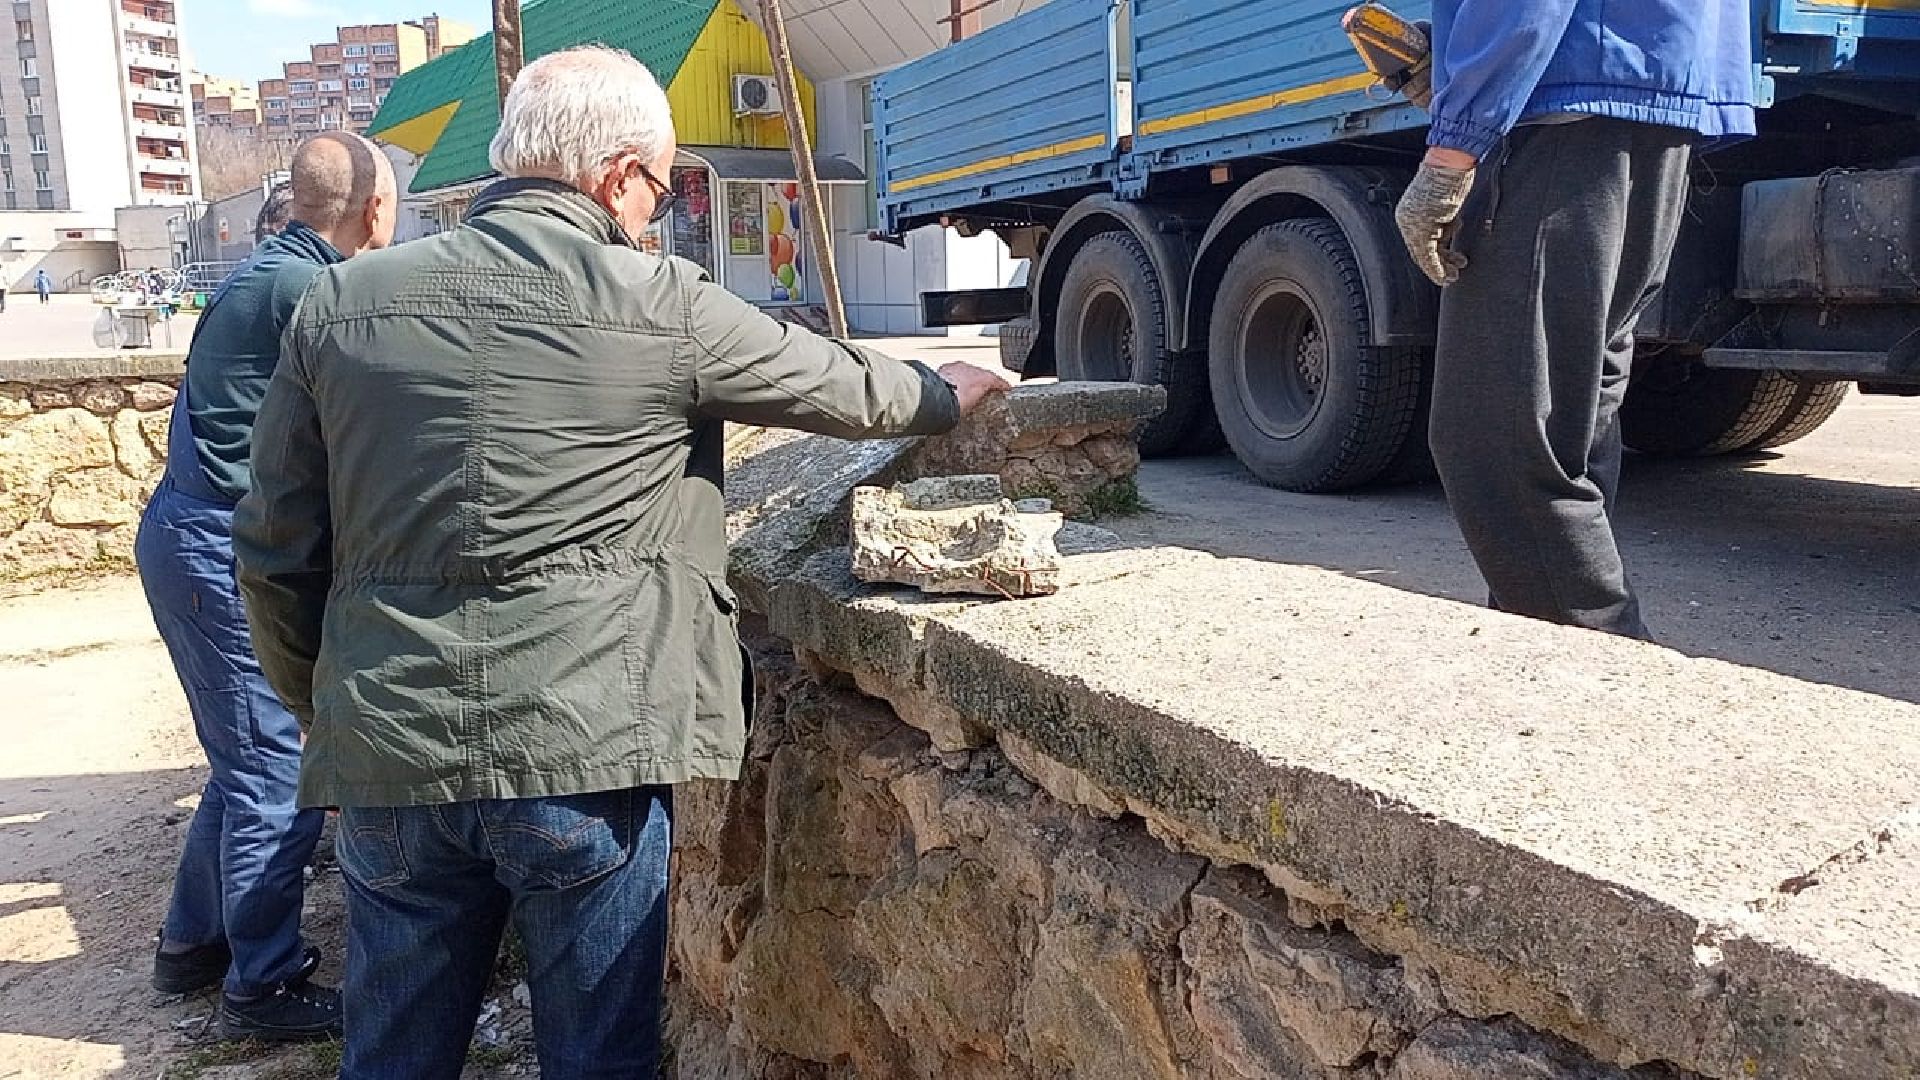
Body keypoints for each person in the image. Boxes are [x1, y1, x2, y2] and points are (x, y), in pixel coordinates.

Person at [233, 46, 1007, 1079]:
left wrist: (321, 706)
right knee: (600, 1058)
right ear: (613, 174)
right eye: (664, 182)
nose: (661, 208)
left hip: (392, 752)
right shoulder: (662, 302)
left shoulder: (338, 306)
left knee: (392, 1060)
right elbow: (834, 382)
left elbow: (275, 548)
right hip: (584, 751)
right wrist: (948, 389)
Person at [136, 131, 396, 1042]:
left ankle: (194, 946)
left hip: (188, 534)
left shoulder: (267, 274)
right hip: (219, 549)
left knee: (241, 761)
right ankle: (262, 988)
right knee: (275, 777)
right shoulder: (317, 290)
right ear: (375, 211)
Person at [1394, 0, 1755, 638]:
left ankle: (1607, 675)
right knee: (1572, 423)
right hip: (1644, 99)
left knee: (1499, 432)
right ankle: (1538, 656)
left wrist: (1457, 137)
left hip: (1566, 112)